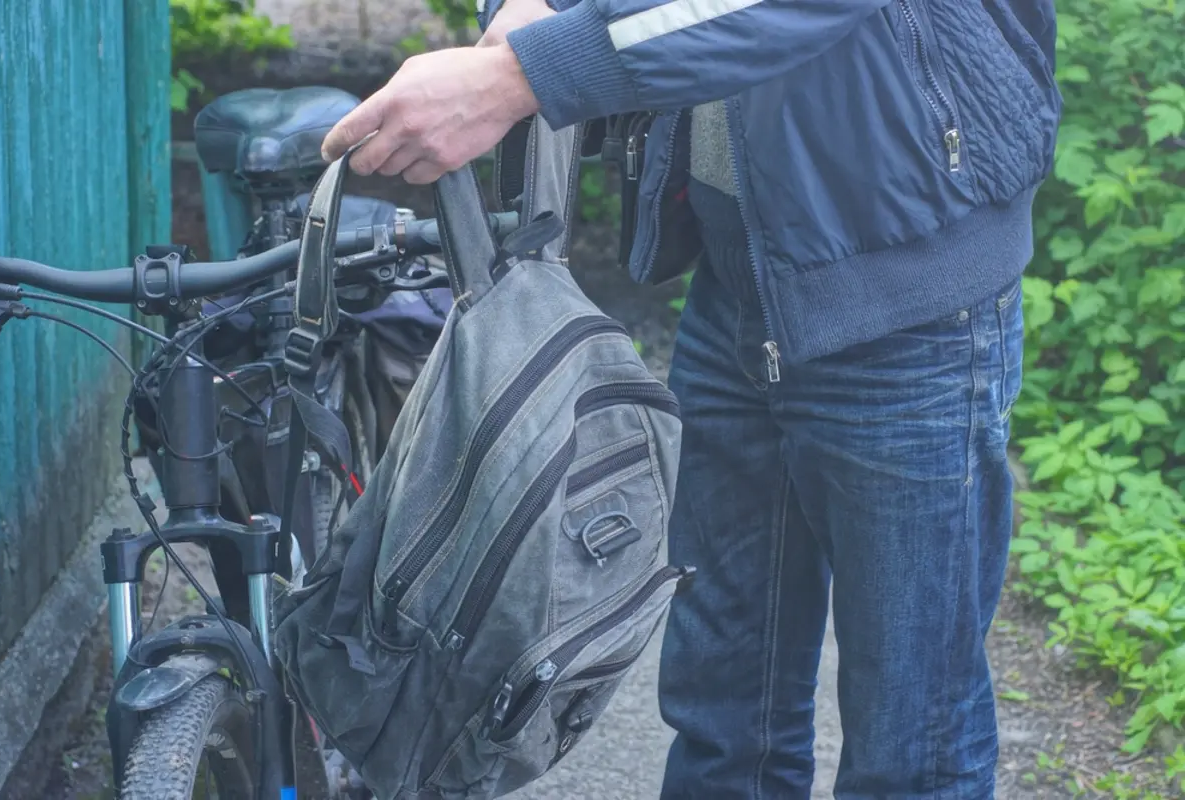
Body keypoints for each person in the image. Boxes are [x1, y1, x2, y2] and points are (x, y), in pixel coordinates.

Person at [321, 1, 1062, 797]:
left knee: (912, 750)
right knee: (722, 722)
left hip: (910, 298)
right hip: (741, 274)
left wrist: (522, 73)